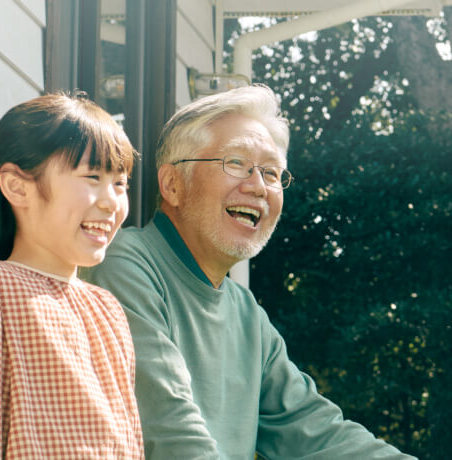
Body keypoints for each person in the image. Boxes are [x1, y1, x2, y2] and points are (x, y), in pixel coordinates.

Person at [84, 85, 415, 459]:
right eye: (236, 163)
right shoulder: (122, 264)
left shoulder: (246, 314)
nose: (258, 186)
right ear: (172, 184)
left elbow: (317, 432)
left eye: (272, 173)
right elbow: (169, 432)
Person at [0, 93, 144, 459]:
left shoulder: (108, 310)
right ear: (17, 187)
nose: (111, 201)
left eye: (120, 184)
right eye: (92, 176)